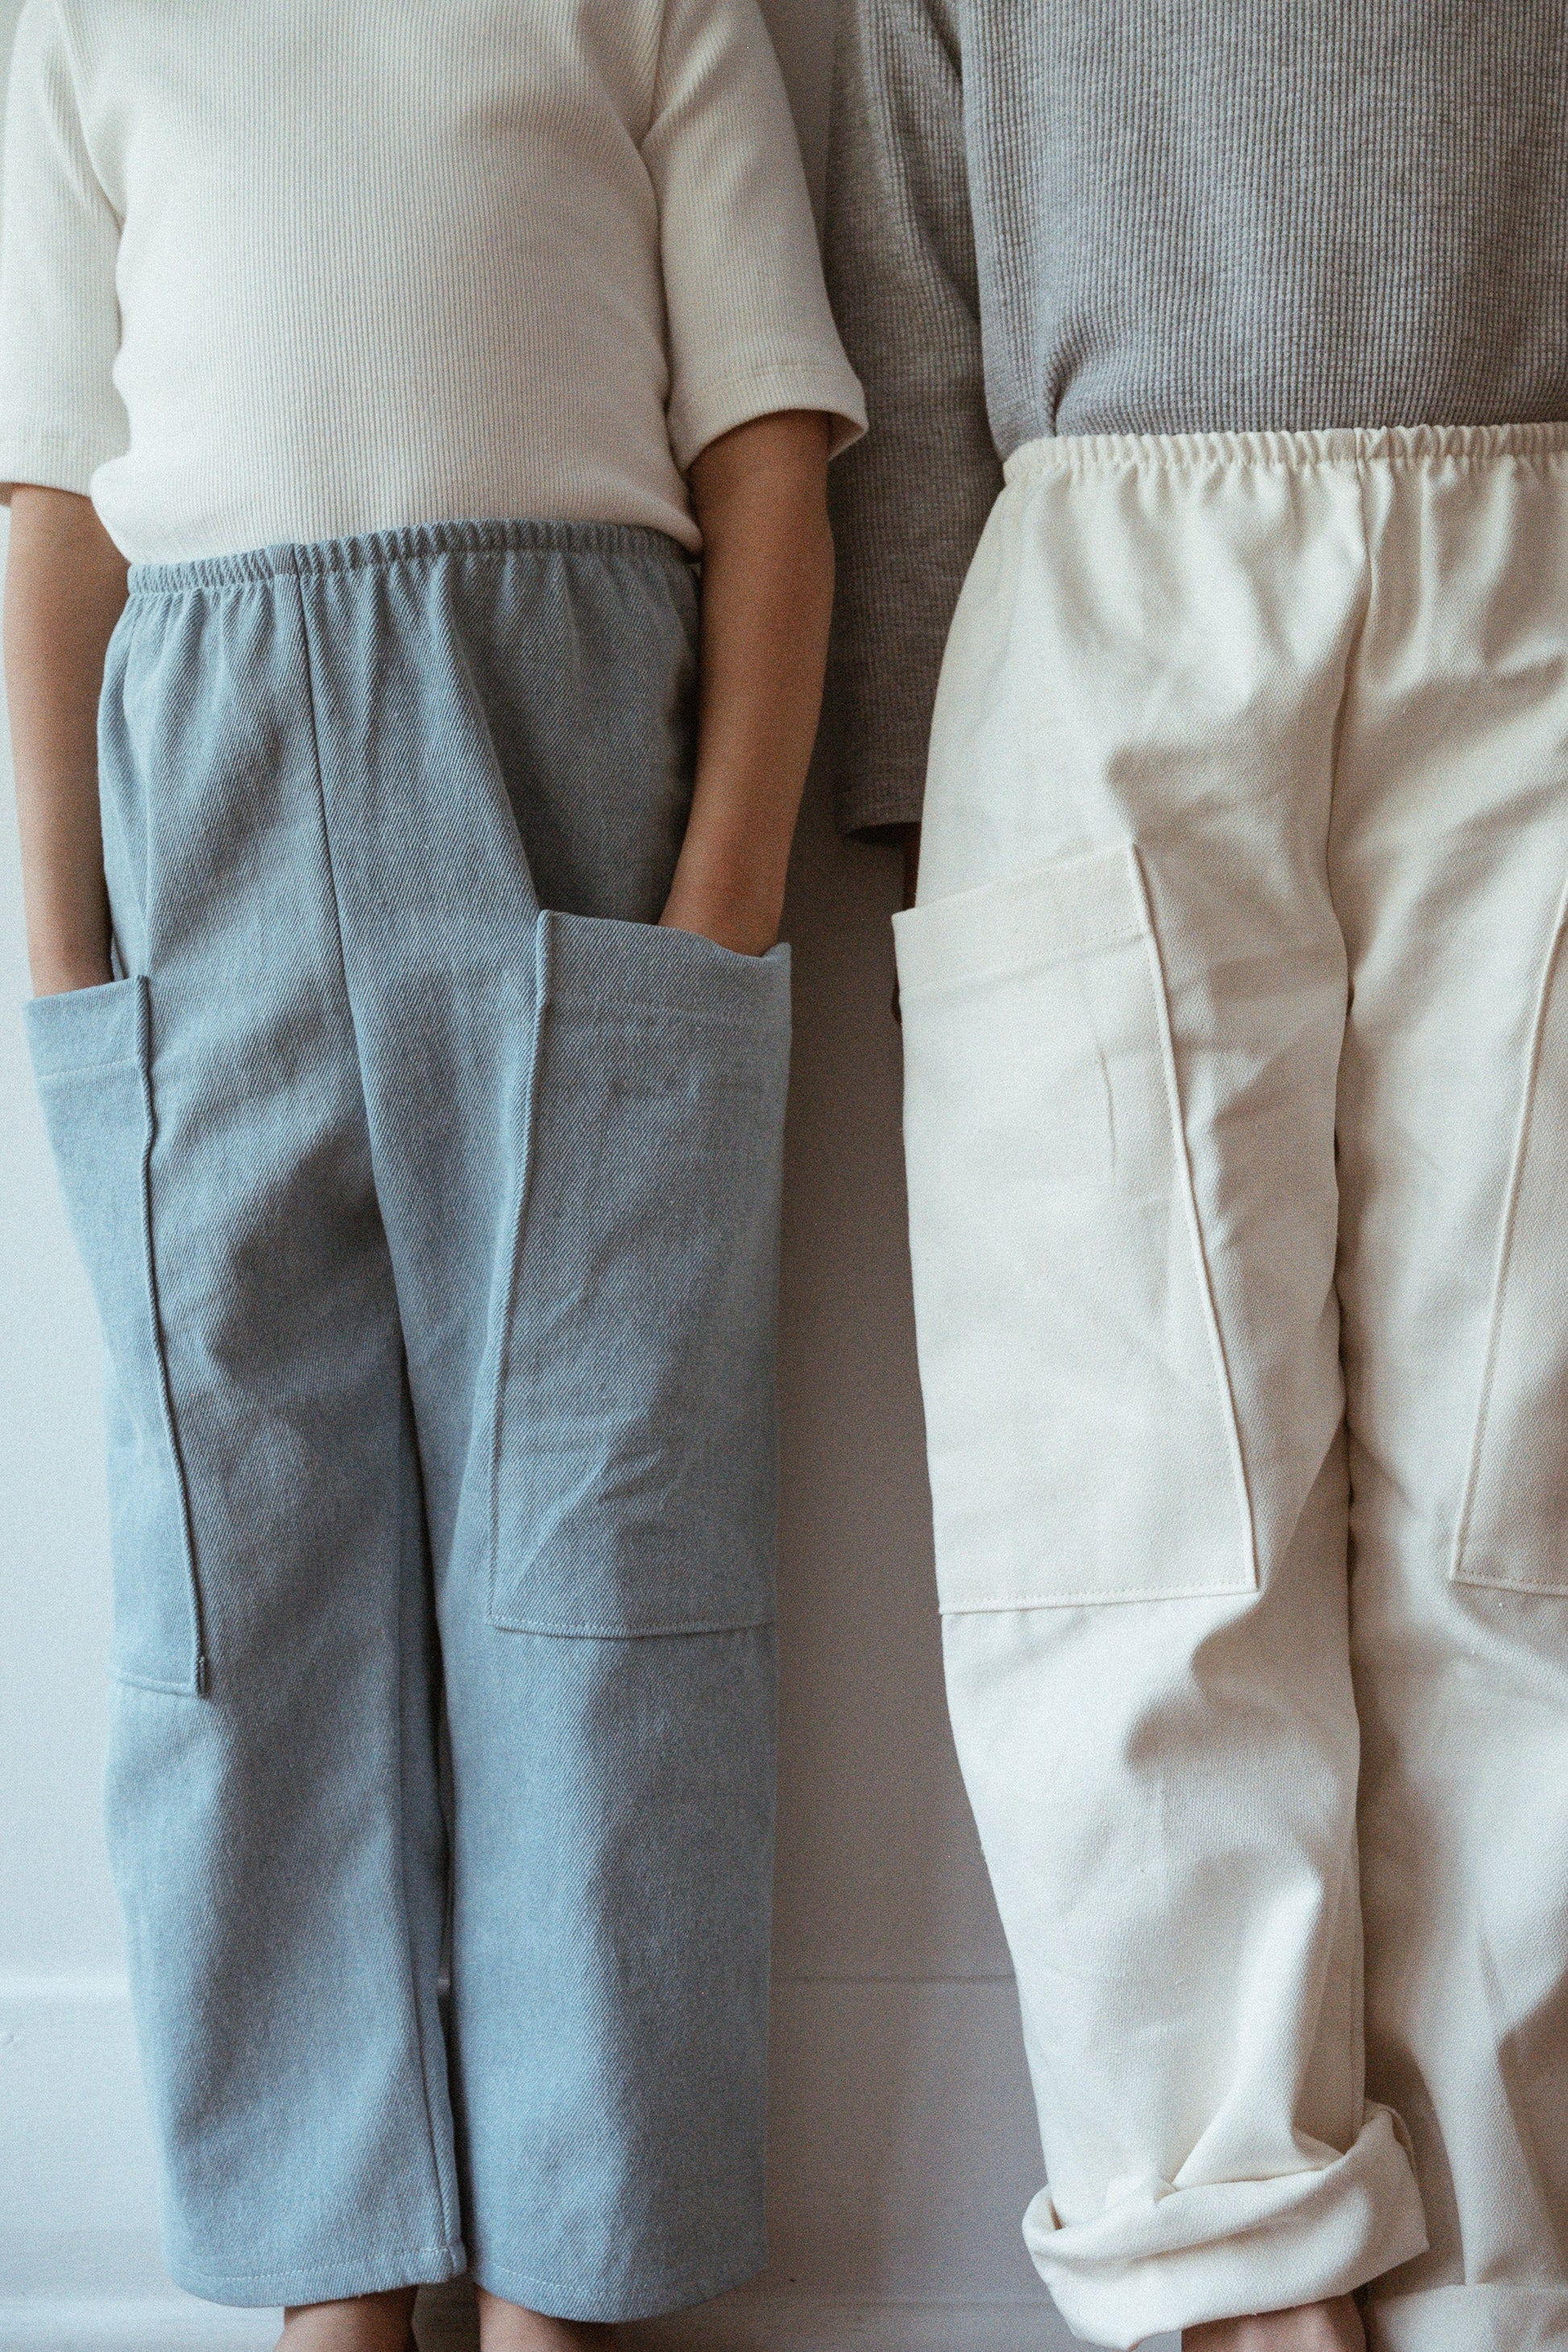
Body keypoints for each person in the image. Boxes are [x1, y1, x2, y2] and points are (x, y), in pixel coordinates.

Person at [0, 4, 864, 2346]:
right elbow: (57, 508)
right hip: (206, 838)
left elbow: (771, 454)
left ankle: (572, 2278)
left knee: (608, 1564)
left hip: (570, 790)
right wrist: (70, 955)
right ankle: (326, 2274)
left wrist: (723, 904)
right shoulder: (84, 28)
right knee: (231, 1569)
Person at [824, 3, 1568, 2348]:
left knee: (1518, 1489)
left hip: (1546, 554)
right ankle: (1227, 2277)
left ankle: (1497, 2276)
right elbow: (904, 221)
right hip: (1103, 582)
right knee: (1125, 1490)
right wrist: (915, 741)